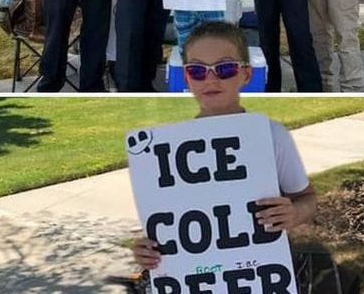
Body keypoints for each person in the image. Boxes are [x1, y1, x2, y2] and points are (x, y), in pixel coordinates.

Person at [133, 21, 317, 270]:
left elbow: (307, 199)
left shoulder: (271, 135)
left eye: (226, 68)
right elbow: (166, 226)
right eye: (198, 70)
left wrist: (294, 213)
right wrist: (148, 250)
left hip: (259, 270)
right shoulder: (167, 150)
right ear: (187, 76)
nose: (211, 79)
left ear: (247, 74)